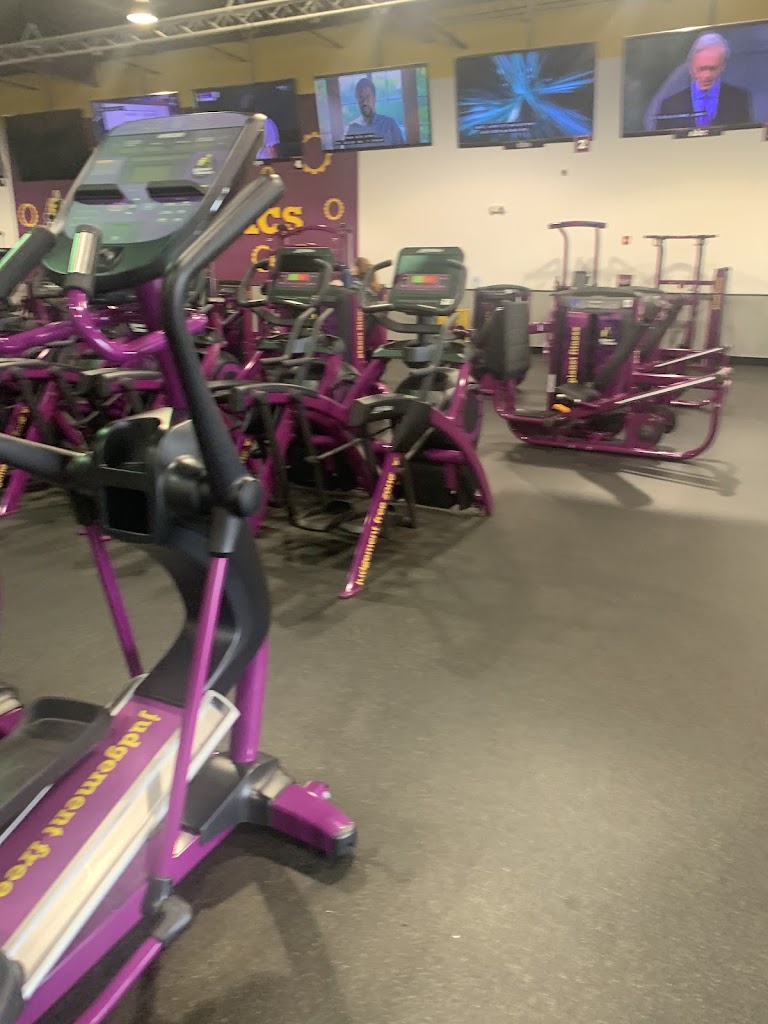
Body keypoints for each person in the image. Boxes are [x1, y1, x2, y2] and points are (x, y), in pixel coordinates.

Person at [654, 32, 753, 130]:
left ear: (722, 67)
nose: (707, 75)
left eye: (712, 69)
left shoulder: (738, 99)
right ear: (691, 68)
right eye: (701, 69)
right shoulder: (670, 105)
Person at [344, 77, 404, 148]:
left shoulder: (390, 125)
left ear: (374, 97)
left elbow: (402, 152)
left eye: (367, 96)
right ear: (356, 100)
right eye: (360, 97)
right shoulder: (350, 129)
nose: (364, 102)